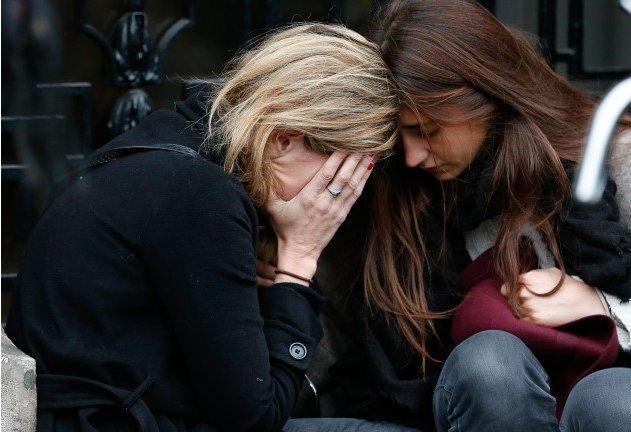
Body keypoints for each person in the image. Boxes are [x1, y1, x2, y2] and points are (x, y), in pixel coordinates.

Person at [313, 1, 631, 431]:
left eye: (427, 130)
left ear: (485, 97)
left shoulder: (617, 162)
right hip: (467, 405)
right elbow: (333, 360)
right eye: (400, 138)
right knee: (491, 365)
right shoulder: (392, 195)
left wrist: (604, 308)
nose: (411, 157)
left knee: (611, 399)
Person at [5, 23, 400, 432]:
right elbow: (255, 418)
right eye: (340, 177)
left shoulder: (171, 145)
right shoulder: (199, 194)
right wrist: (299, 257)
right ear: (284, 139)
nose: (339, 199)